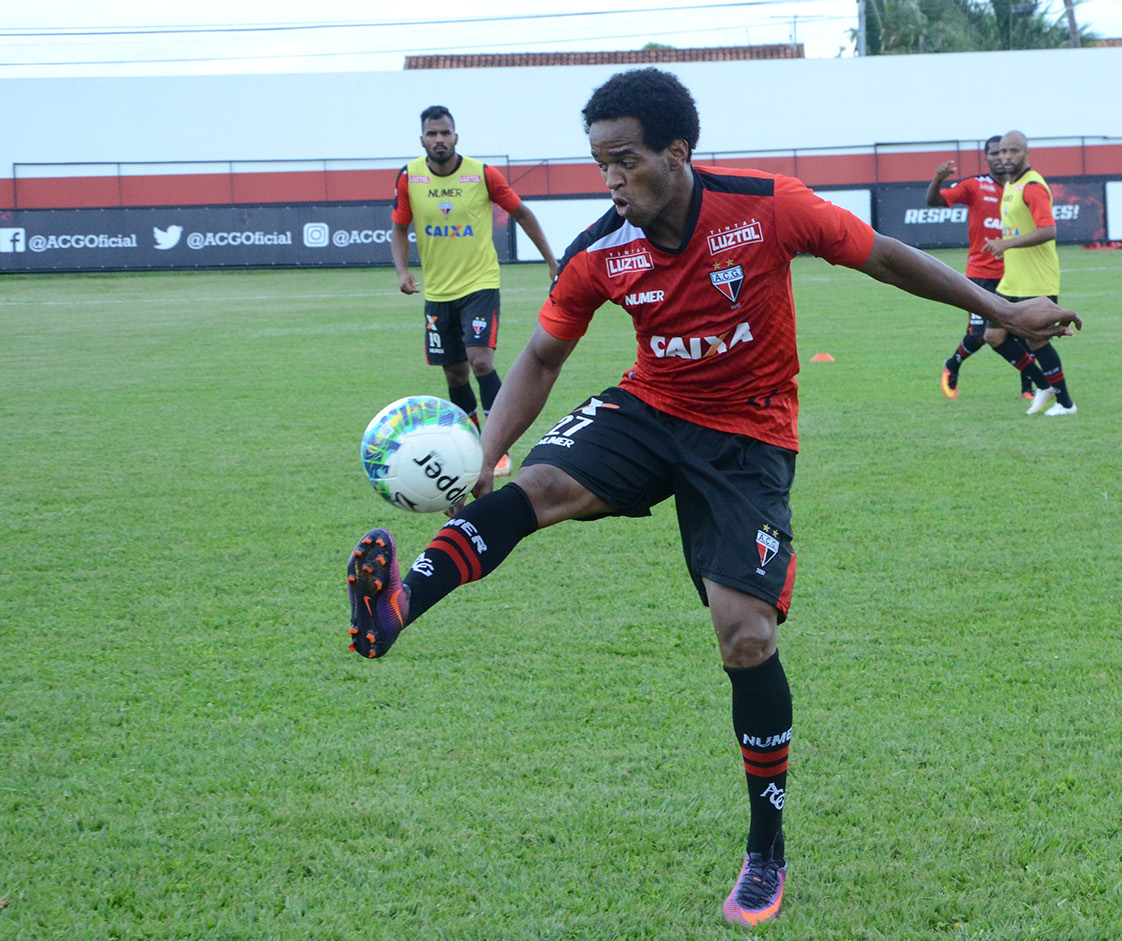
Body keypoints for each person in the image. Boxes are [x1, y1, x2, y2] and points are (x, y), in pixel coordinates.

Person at [347, 68, 1078, 927]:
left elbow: (883, 255)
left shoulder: (767, 206)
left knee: (746, 635)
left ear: (677, 152)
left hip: (748, 435)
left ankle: (766, 848)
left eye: (625, 160)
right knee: (535, 487)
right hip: (650, 407)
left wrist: (1001, 310)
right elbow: (541, 357)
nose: (611, 179)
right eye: (599, 163)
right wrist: (488, 454)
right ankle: (397, 606)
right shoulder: (599, 250)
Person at [391, 104, 560, 477]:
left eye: (445, 133)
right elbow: (400, 228)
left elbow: (522, 214)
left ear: (456, 137)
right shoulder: (409, 177)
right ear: (422, 139)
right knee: (455, 375)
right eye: (432, 134)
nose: (439, 139)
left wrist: (551, 260)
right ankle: (470, 446)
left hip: (480, 284)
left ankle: (497, 448)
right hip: (438, 293)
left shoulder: (482, 175)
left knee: (481, 360)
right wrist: (402, 270)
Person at [930, 137, 1052, 403]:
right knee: (979, 336)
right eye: (994, 153)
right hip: (981, 273)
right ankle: (953, 363)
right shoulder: (975, 185)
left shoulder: (1022, 187)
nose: (1000, 157)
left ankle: (1030, 387)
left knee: (1021, 330)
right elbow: (934, 201)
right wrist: (938, 179)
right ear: (986, 158)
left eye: (1004, 152)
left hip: (1015, 273)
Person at [977, 130, 1077, 416]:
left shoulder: (1032, 186)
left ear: (1026, 153)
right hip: (1013, 280)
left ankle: (1066, 404)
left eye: (1013, 151)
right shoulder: (1012, 185)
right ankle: (1043, 384)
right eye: (1002, 151)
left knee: (1037, 340)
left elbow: (1048, 230)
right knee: (993, 336)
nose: (1006, 156)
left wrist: (1006, 244)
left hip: (1037, 279)